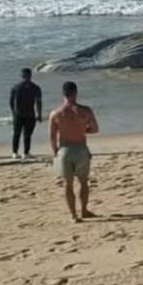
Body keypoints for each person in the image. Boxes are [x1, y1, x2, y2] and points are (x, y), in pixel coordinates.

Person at [49, 81, 99, 223]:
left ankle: (73, 215)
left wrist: (55, 152)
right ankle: (84, 210)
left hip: (65, 150)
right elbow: (95, 129)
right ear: (76, 93)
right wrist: (83, 130)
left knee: (68, 184)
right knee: (83, 182)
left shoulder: (55, 113)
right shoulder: (85, 111)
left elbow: (52, 137)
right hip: (81, 148)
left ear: (63, 94)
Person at [9, 68, 42, 160]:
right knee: (27, 134)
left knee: (17, 133)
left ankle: (15, 153)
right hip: (30, 114)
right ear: (30, 75)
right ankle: (25, 153)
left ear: (21, 76)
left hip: (18, 114)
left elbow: (11, 102)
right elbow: (38, 102)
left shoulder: (15, 87)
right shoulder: (35, 88)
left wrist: (13, 113)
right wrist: (39, 115)